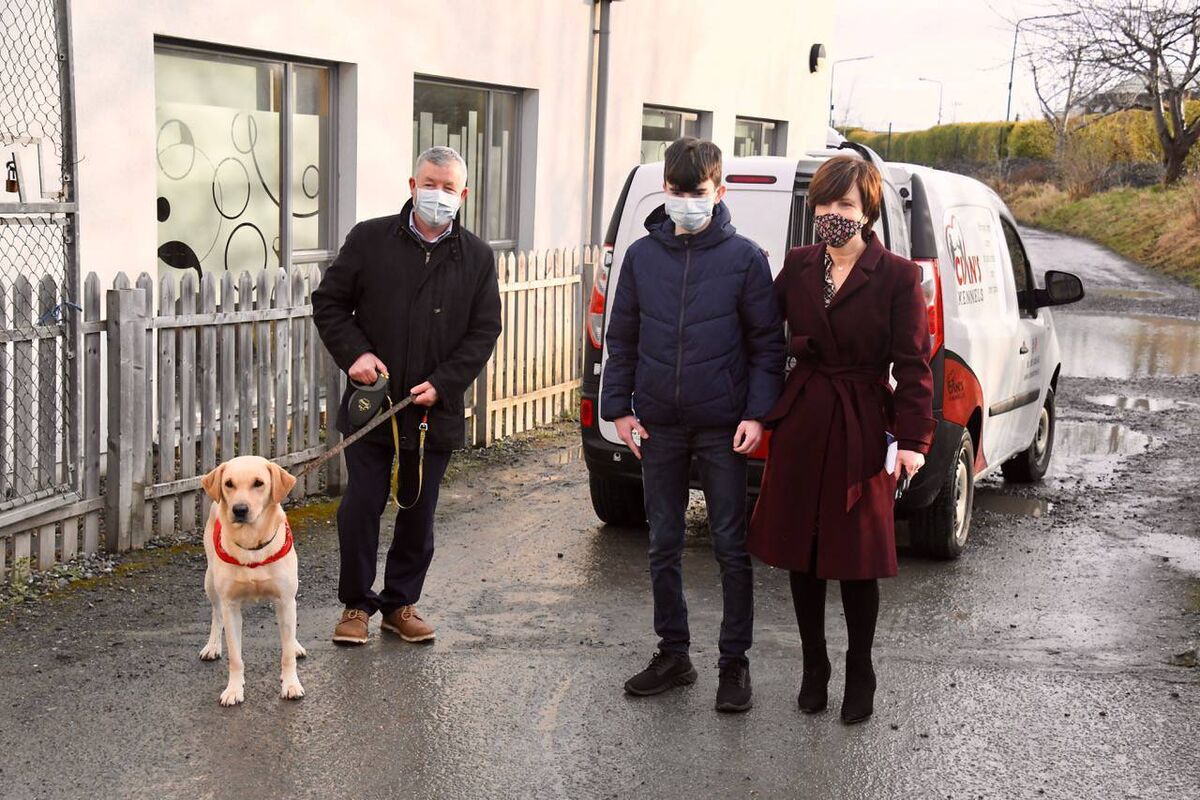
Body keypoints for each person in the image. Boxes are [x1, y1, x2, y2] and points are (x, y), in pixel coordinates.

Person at [747, 155, 934, 724]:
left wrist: (913, 442)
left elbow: (915, 366)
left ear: (867, 210)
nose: (833, 213)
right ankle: (814, 666)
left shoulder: (899, 276)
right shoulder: (799, 263)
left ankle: (860, 668)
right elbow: (761, 334)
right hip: (804, 419)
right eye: (825, 203)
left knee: (857, 556)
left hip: (862, 422)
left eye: (845, 204)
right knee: (802, 552)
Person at [601, 137, 785, 713]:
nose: (686, 201)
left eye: (697, 192)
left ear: (719, 191)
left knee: (730, 546)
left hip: (722, 426)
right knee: (663, 542)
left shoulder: (746, 259)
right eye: (677, 191)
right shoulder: (641, 257)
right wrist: (619, 408)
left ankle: (734, 663)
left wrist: (756, 414)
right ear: (665, 189)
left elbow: (767, 346)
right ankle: (674, 654)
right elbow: (621, 338)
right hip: (659, 424)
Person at [312, 146, 501, 646]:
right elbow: (329, 304)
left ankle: (400, 604)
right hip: (373, 404)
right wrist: (356, 354)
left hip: (432, 409)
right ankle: (356, 605)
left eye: (448, 187)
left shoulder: (477, 257)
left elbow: (484, 331)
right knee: (361, 505)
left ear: (463, 194)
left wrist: (445, 382)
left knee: (418, 509)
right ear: (412, 186)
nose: (438, 194)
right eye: (429, 184)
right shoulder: (369, 239)